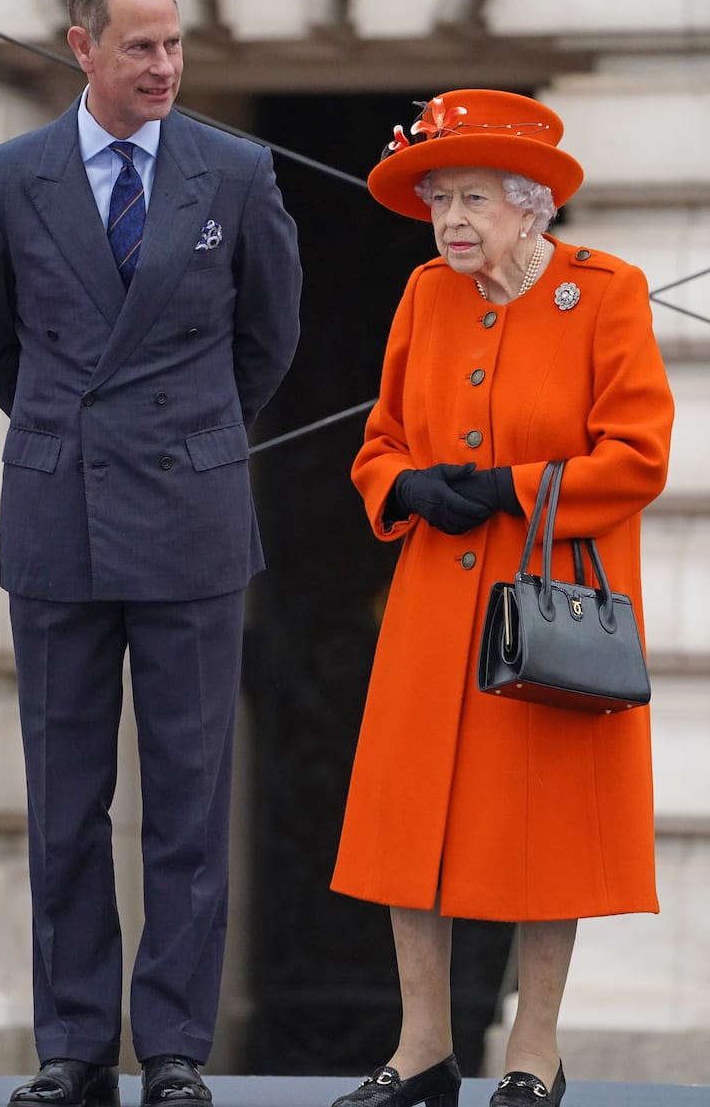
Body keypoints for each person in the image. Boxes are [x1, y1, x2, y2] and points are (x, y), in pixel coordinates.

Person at [0, 0, 301, 1107]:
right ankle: (72, 1043)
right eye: (140, 47)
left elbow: (269, 338)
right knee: (64, 799)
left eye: (175, 45)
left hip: (192, 517)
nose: (164, 68)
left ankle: (178, 1051)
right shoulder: (4, 177)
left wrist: (191, 436)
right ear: (82, 47)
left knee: (190, 800)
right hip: (60, 513)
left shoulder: (236, 171)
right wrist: (70, 430)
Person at [329, 88, 673, 1107]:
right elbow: (380, 439)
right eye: (440, 199)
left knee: (544, 832)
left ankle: (531, 1054)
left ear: (531, 207)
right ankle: (422, 1049)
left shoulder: (604, 290)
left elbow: (636, 457)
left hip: (548, 604)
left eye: (472, 198)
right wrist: (401, 486)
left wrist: (511, 490)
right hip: (435, 603)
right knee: (408, 828)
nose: (450, 221)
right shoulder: (423, 293)